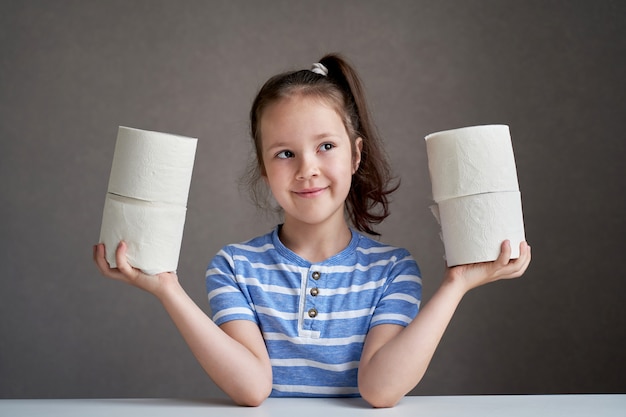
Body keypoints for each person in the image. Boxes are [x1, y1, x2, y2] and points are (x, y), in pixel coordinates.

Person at [93, 53, 531, 408]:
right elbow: (251, 388)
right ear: (264, 169)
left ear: (355, 155)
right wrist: (168, 289)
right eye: (285, 153)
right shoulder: (234, 268)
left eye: (326, 146)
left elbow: (380, 390)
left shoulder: (393, 271)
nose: (307, 170)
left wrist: (456, 284)